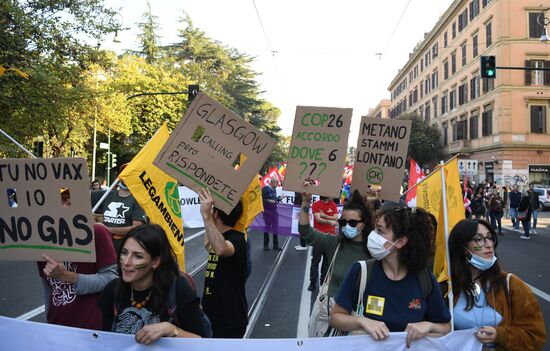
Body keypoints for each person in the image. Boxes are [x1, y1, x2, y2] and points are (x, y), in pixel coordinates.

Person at [330, 206, 451, 348]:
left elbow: (446, 327)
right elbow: (335, 317)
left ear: (400, 242)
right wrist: (361, 322)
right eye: (375, 229)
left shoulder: (425, 280)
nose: (372, 235)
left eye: (380, 231)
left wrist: (428, 326)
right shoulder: (361, 271)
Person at [99, 224, 208, 343]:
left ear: (155, 262)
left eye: (138, 256)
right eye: (124, 253)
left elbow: (203, 342)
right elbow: (104, 339)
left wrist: (171, 330)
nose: (126, 262)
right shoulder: (112, 289)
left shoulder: (178, 289)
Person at [449, 219, 546, 349]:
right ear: (464, 248)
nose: (488, 244)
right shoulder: (448, 287)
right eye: (479, 239)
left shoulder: (512, 285)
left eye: (490, 238)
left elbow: (536, 336)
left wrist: (499, 335)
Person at [38, 189, 118, 330]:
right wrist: (48, 320)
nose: (62, 207)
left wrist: (68, 276)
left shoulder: (97, 232)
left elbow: (112, 279)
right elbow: (48, 288)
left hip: (91, 328)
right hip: (57, 326)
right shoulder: (40, 239)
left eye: (68, 202)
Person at [299, 188, 374, 337]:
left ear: (364, 224)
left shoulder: (374, 250)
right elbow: (306, 232)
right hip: (331, 310)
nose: (347, 226)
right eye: (343, 222)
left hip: (362, 315)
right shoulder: (334, 243)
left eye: (352, 222)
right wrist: (306, 202)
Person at [199, 188, 248, 338]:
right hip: (212, 316)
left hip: (229, 321)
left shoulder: (237, 239)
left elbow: (221, 249)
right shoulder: (218, 237)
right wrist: (208, 215)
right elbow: (209, 243)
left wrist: (207, 216)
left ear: (216, 215)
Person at [91, 165, 147, 252]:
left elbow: (137, 228)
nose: (127, 175)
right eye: (124, 172)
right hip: (102, 247)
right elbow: (83, 195)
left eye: (131, 173)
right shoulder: (107, 194)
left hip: (122, 250)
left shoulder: (138, 200)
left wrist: (108, 230)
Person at [308, 196, 338, 291]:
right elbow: (318, 219)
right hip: (319, 237)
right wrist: (330, 221)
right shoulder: (316, 204)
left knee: (327, 263)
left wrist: (324, 215)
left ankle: (323, 283)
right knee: (315, 261)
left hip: (330, 238)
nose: (334, 196)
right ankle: (313, 282)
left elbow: (336, 217)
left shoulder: (333, 204)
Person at [262, 177, 281, 250]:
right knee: (267, 228)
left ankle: (275, 245)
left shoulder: (274, 189)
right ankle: (265, 245)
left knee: (275, 228)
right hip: (267, 212)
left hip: (274, 211)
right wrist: (269, 201)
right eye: (277, 183)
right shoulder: (264, 189)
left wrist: (279, 199)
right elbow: (261, 200)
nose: (277, 185)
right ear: (273, 182)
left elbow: (274, 198)